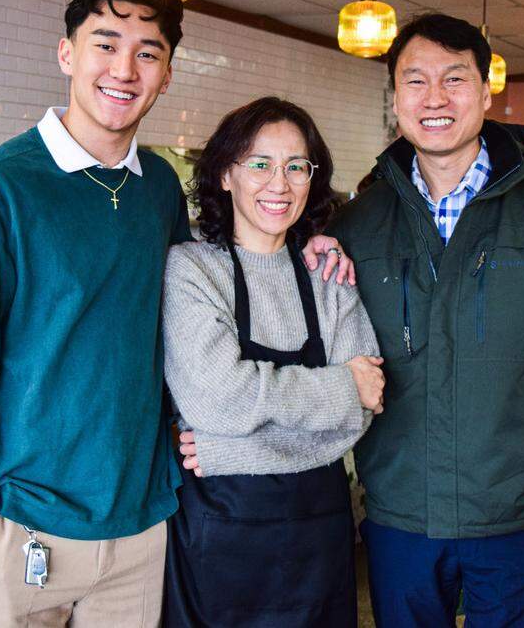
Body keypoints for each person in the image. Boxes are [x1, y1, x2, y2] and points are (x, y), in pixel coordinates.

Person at [0, 0, 352, 628]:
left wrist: (310, 248)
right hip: (23, 528)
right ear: (67, 54)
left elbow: (207, 301)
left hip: (143, 531)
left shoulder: (157, 192)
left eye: (148, 53)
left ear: (167, 73)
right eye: (105, 44)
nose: (125, 68)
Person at [329, 13, 524, 627]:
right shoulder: (360, 221)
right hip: (402, 515)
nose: (435, 98)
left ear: (487, 90)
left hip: (522, 514)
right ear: (395, 99)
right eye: (415, 81)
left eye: (455, 79)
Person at [161, 97, 383, 627]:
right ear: (223, 175)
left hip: (319, 537)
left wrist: (228, 448)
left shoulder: (327, 271)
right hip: (220, 540)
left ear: (313, 177)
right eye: (259, 164)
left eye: (295, 166)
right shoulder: (191, 269)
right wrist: (339, 389)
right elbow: (219, 398)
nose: (278, 184)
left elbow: (366, 407)